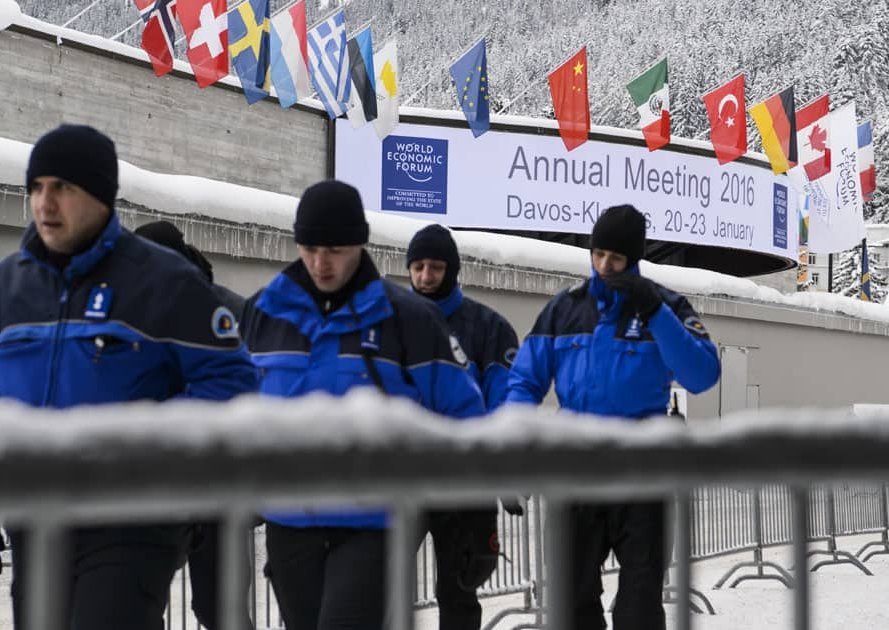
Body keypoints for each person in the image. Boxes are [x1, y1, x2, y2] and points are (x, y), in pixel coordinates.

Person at [0, 124, 260, 630]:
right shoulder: (3, 287)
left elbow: (231, 384)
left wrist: (149, 444)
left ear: (99, 195)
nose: (45, 202)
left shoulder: (164, 283)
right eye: (36, 188)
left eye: (63, 188)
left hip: (131, 519)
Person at [239, 179, 486, 630]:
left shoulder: (410, 320)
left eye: (334, 249)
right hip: (289, 518)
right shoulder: (264, 313)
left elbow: (462, 413)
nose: (320, 262)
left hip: (374, 521)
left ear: (359, 242)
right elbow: (231, 406)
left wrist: (474, 509)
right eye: (310, 247)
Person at [506, 204, 720, 630]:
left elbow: (702, 375)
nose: (604, 266)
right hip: (576, 472)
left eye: (616, 259)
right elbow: (524, 383)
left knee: (639, 607)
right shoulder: (564, 309)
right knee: (570, 604)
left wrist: (655, 313)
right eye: (598, 254)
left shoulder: (668, 306)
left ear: (634, 259)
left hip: (642, 474)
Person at [134, 219, 249, 630]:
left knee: (220, 610)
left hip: (217, 484)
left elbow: (245, 390)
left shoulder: (228, 311)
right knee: (142, 608)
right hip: (154, 488)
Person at [406, 223, 521, 630]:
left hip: (464, 481)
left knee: (459, 588)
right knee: (377, 585)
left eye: (435, 267)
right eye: (417, 266)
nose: (425, 277)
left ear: (452, 270)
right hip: (402, 478)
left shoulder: (488, 327)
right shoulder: (392, 321)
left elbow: (505, 402)